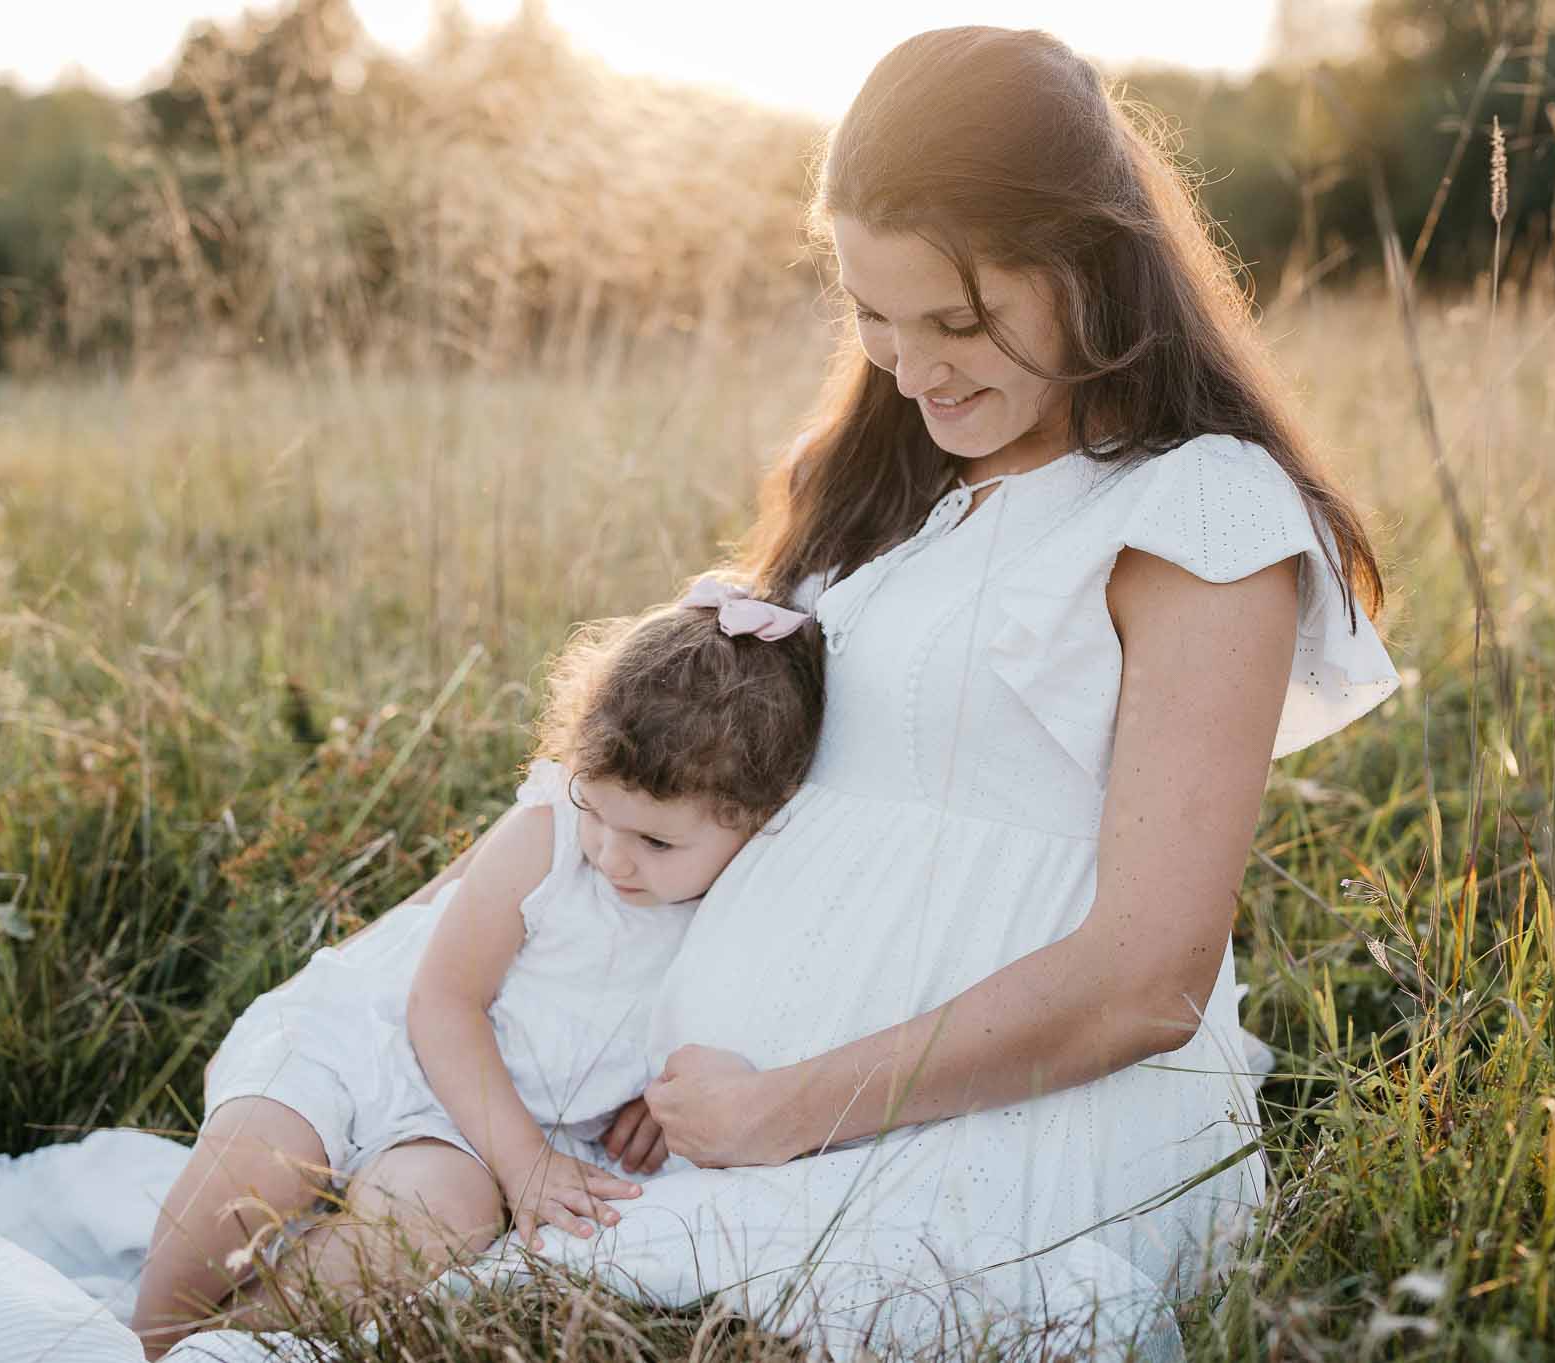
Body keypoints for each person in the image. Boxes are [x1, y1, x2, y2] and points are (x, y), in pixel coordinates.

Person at [328, 25, 1401, 1360]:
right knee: (343, 1162)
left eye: (956, 319)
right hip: (724, 1110)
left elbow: (1145, 979)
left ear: (1093, 263)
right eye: (873, 315)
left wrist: (781, 1106)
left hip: (994, 1138)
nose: (912, 363)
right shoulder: (906, 497)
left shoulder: (1194, 504)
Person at [131, 579, 826, 1356]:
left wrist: (656, 1094)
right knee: (262, 1158)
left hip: (470, 1124)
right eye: (596, 811)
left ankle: (216, 1341)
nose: (613, 857)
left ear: (757, 819)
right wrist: (525, 1165)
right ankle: (148, 1327)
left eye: (655, 843)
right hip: (369, 1040)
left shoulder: (735, 912)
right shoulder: (548, 837)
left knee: (441, 1220)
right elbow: (443, 1001)